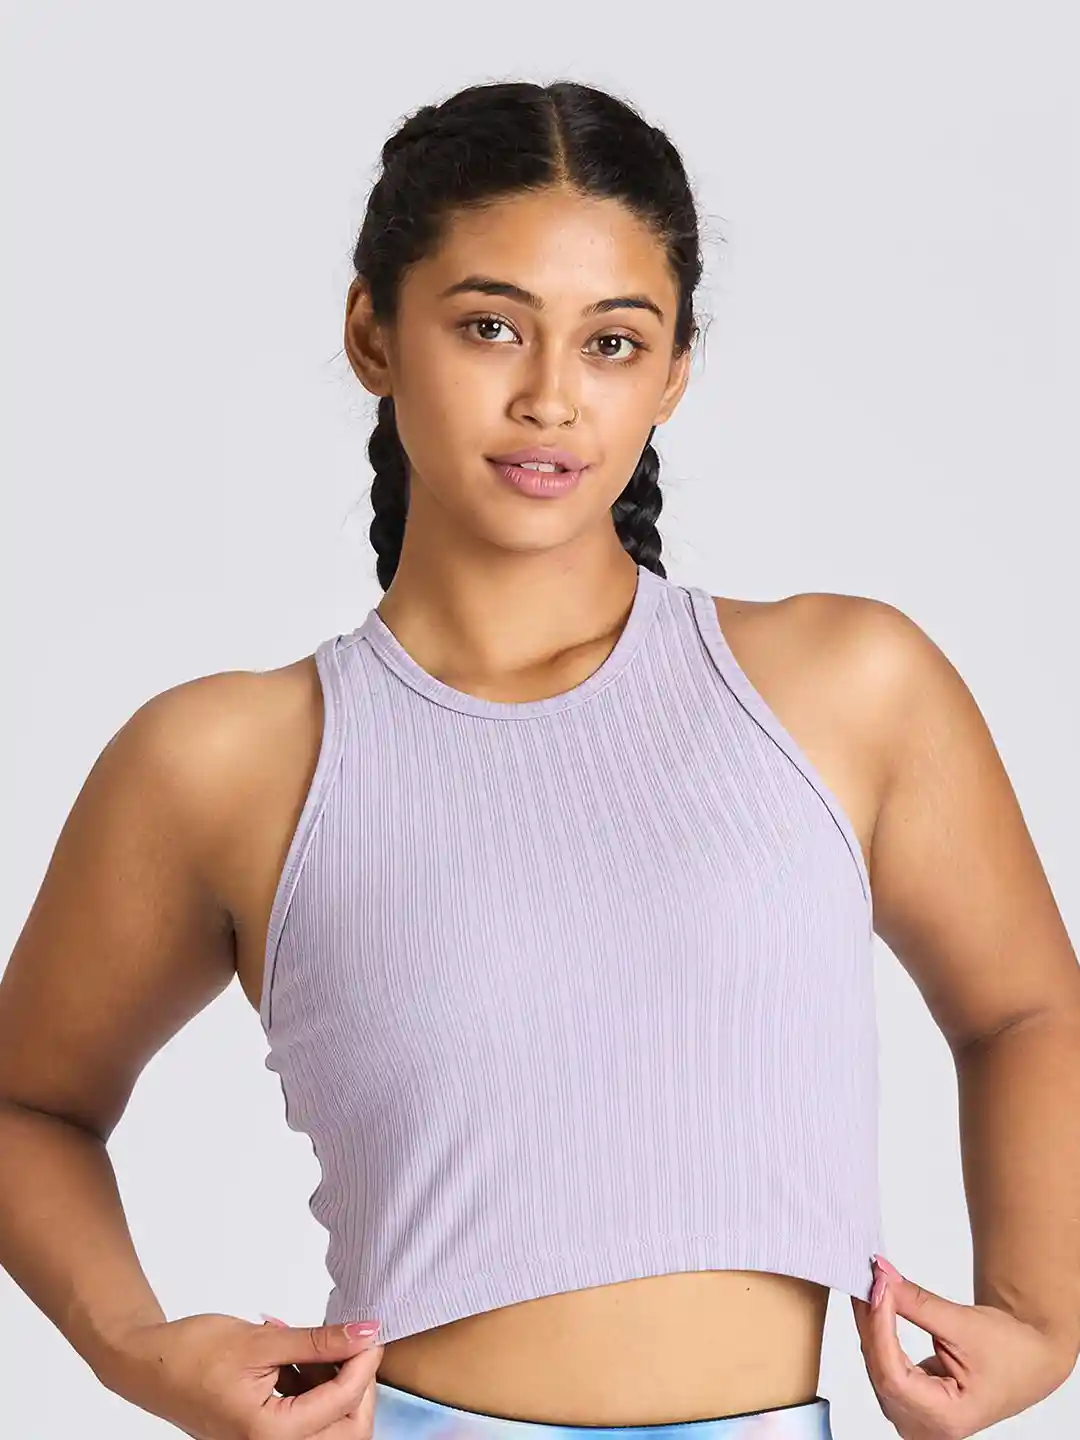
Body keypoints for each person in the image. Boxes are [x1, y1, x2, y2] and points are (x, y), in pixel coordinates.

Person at [1, 78, 1078, 1440]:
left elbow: (1027, 1008)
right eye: (490, 326)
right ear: (373, 333)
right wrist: (137, 1352)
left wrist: (1045, 1317)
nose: (551, 397)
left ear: (674, 372)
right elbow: (27, 1104)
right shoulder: (226, 762)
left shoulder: (846, 688)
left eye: (613, 342)